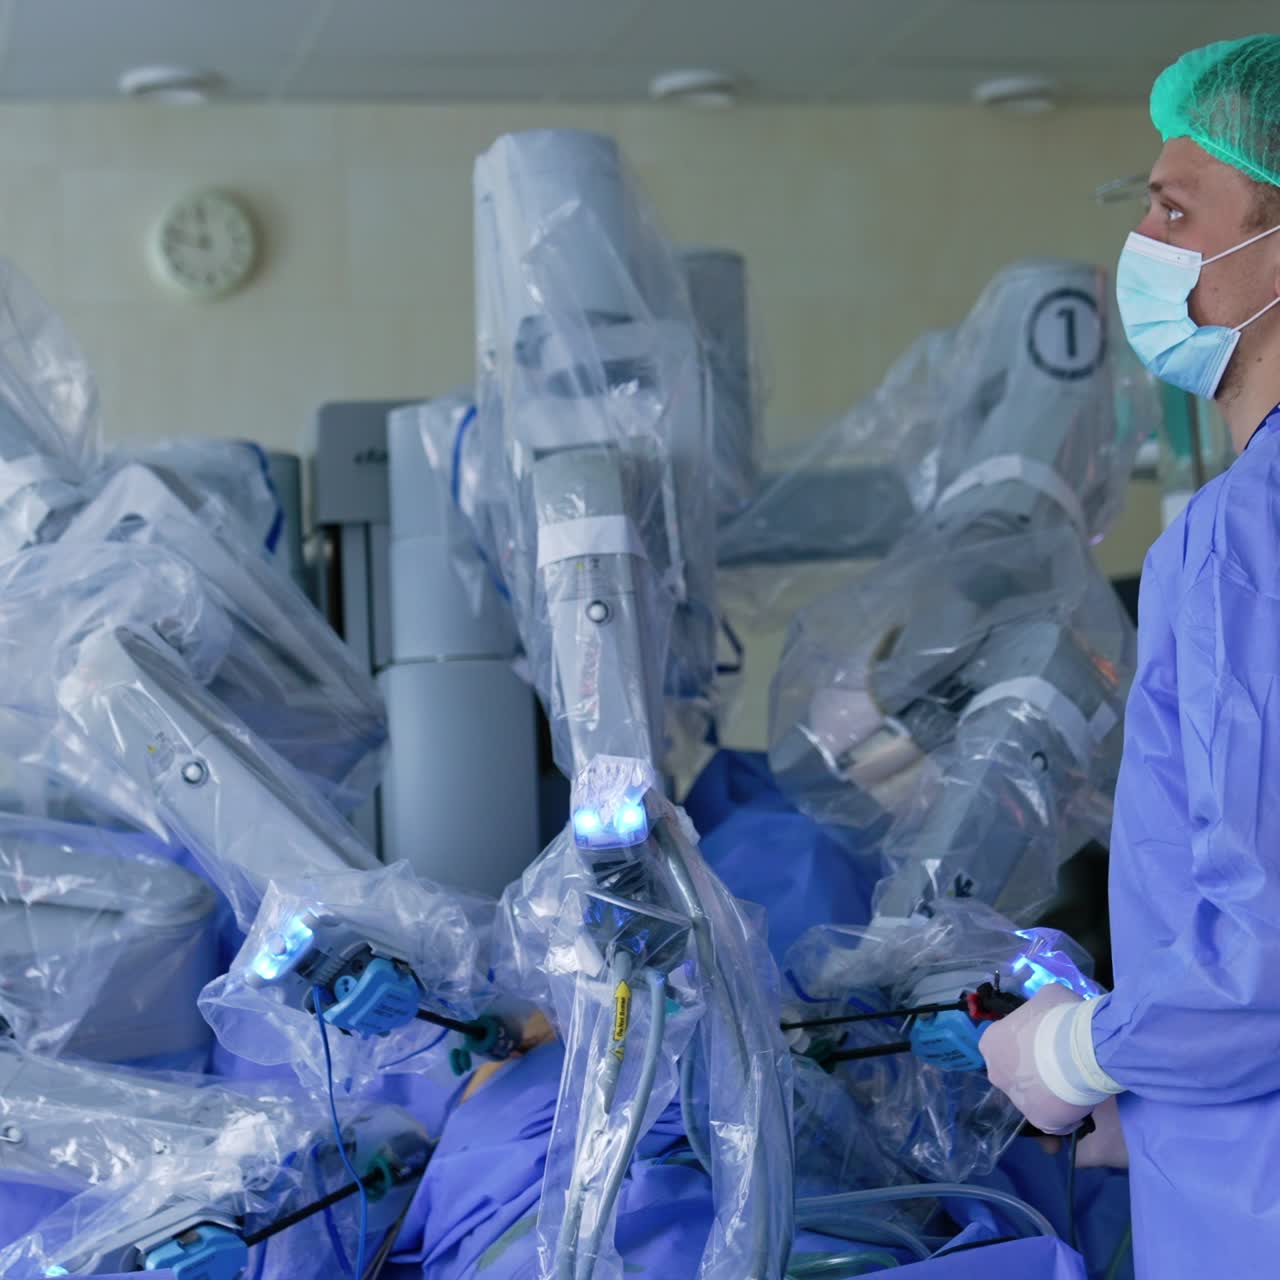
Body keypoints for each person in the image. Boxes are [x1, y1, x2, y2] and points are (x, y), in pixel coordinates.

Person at [979, 33, 1280, 1277]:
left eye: (1173, 209)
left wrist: (1064, 1051)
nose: (1142, 248)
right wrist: (1146, 1090)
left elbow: (1256, 964)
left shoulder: (1238, 539)